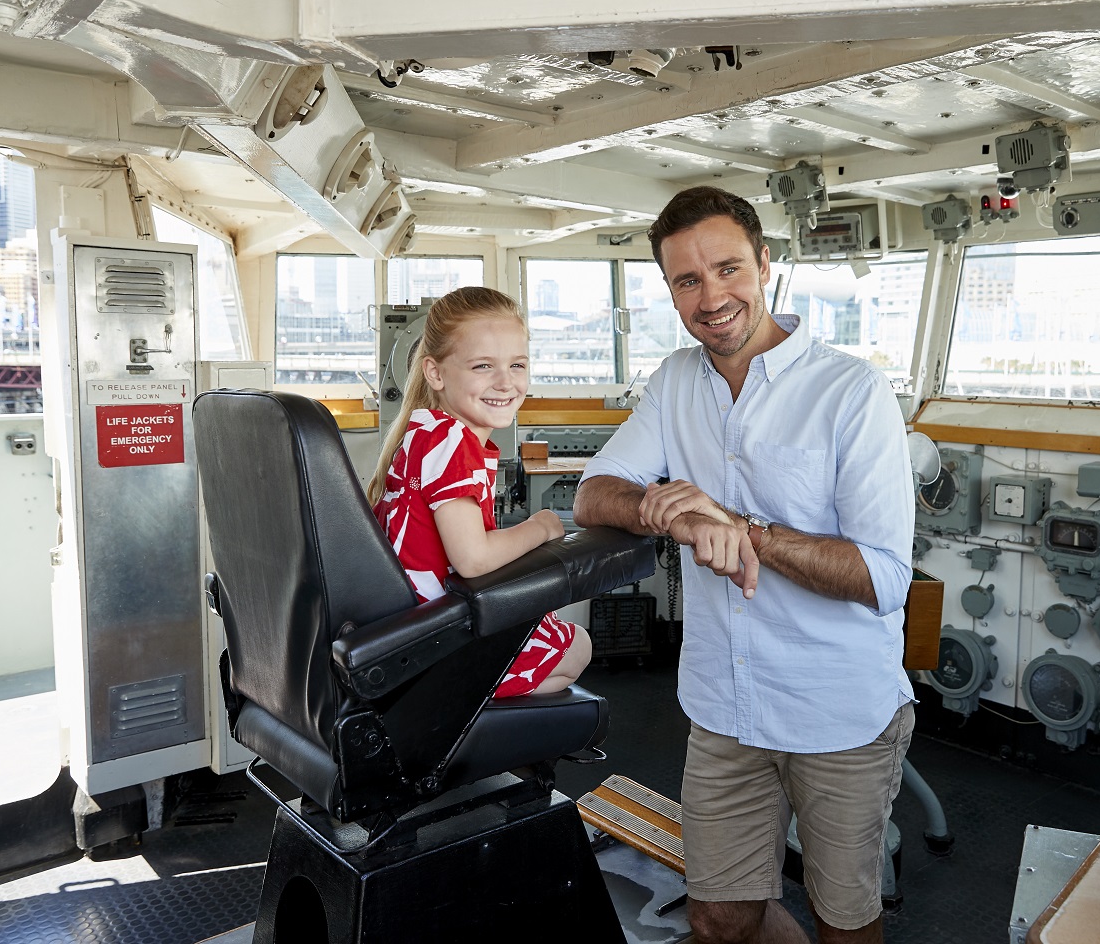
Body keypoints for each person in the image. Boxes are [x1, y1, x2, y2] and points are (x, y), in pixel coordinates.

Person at [574, 187, 917, 944]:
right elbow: (594, 493)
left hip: (839, 715)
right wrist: (665, 508)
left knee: (844, 922)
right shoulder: (673, 384)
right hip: (724, 709)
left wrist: (745, 531)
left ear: (766, 264)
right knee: (718, 917)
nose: (711, 297)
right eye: (687, 281)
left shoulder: (850, 392)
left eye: (728, 268)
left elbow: (883, 578)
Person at [365, 286, 591, 697]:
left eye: (517, 365)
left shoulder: (424, 432)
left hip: (406, 627)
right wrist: (543, 526)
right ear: (435, 373)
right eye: (483, 366)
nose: (506, 383)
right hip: (436, 641)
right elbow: (473, 559)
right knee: (577, 646)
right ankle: (445, 718)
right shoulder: (453, 440)